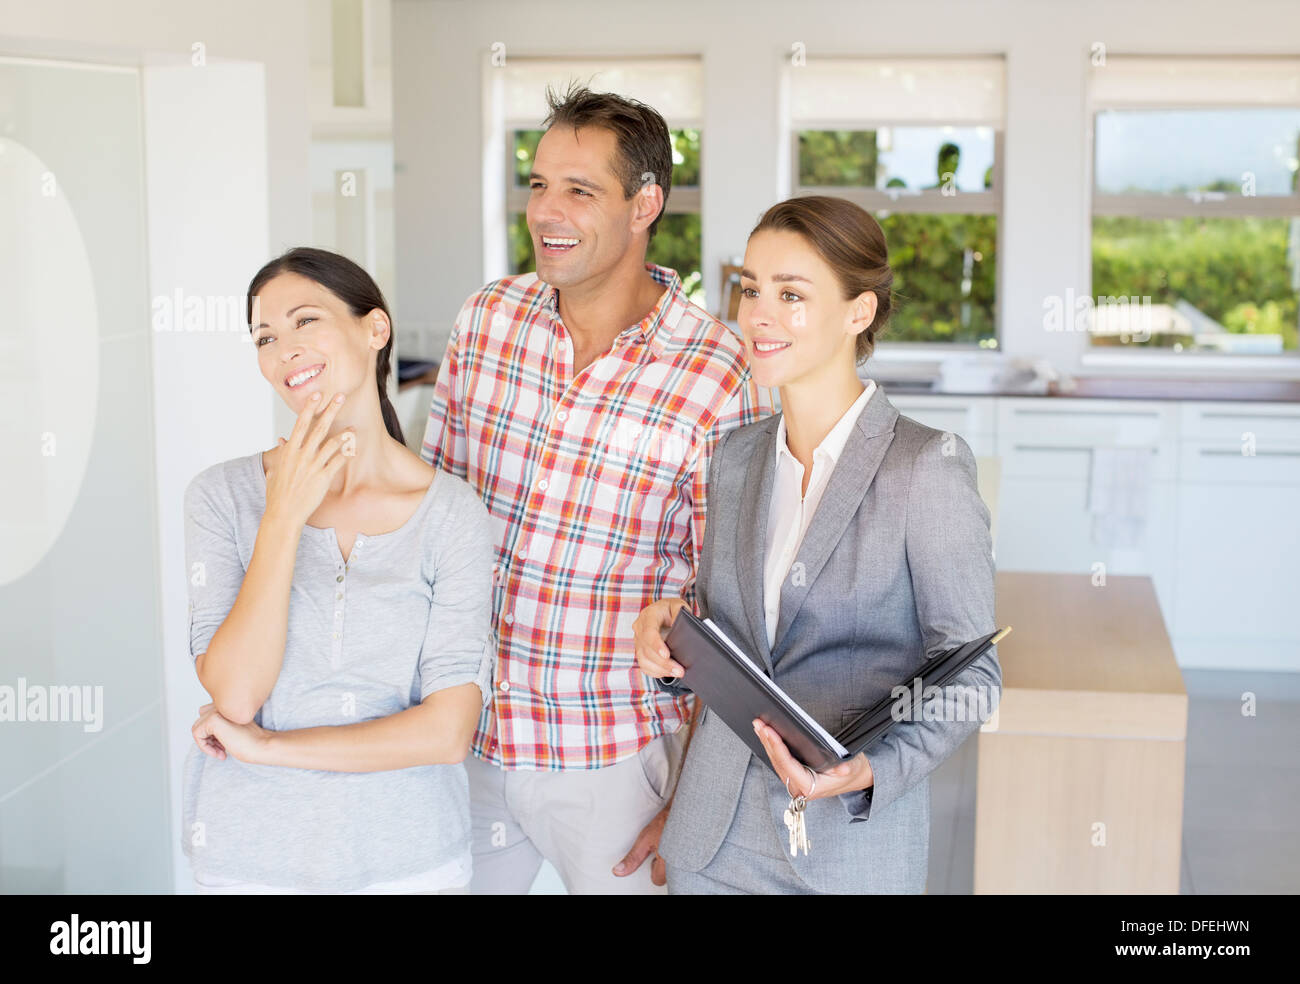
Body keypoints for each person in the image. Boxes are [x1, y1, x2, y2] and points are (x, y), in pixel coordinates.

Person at [420, 83, 773, 894]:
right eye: (539, 184)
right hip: (468, 736)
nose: (547, 210)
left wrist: (697, 788)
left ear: (644, 202)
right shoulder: (486, 322)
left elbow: (732, 603)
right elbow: (430, 525)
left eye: (580, 191)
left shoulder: (720, 371)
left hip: (613, 757)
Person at [633, 195, 1001, 894]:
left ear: (858, 312)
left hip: (846, 851)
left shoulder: (925, 466)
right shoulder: (735, 457)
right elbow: (732, 623)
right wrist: (669, 627)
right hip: (712, 838)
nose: (757, 315)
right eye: (750, 288)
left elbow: (972, 677)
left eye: (791, 294)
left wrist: (873, 769)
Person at [182, 247, 495, 894]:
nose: (284, 349)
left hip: (410, 863)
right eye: (266, 336)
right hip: (248, 861)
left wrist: (268, 749)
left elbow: (446, 731)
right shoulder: (221, 497)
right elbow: (237, 696)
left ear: (375, 329)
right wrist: (283, 519)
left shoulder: (450, 514)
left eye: (305, 321)